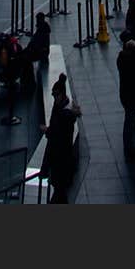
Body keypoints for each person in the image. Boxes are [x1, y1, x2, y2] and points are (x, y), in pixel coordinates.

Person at [40, 73, 80, 203]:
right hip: (61, 157)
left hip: (60, 158)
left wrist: (48, 130)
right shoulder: (62, 109)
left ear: (61, 95)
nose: (53, 97)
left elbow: (58, 133)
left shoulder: (63, 113)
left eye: (55, 95)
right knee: (60, 191)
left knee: (59, 190)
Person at [116, 37, 135, 160]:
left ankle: (129, 145)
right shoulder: (132, 62)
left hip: (125, 95)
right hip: (131, 96)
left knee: (129, 117)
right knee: (129, 119)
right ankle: (128, 147)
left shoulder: (121, 59)